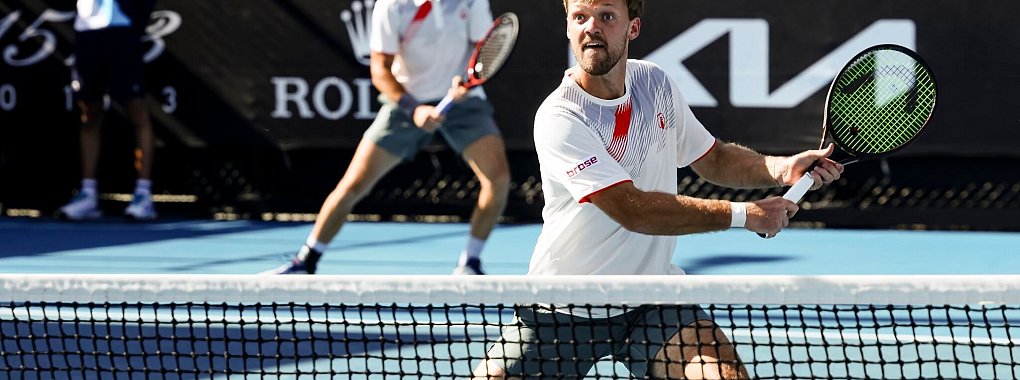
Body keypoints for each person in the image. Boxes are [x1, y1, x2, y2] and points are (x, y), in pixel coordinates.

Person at [472, 0, 843, 378]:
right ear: (568, 27)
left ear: (633, 28)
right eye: (580, 17)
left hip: (652, 301)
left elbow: (711, 156)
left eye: (607, 16)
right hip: (564, 310)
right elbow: (633, 210)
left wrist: (781, 168)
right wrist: (745, 215)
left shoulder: (654, 83)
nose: (591, 27)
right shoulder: (560, 117)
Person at [265, 0, 511, 275]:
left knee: (497, 179)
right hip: (406, 103)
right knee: (353, 185)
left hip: (462, 102)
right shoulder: (392, 5)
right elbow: (380, 70)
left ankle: (470, 263)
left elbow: (484, 52)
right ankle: (307, 259)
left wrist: (463, 85)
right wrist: (414, 108)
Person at [58, 0, 158, 221]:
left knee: (137, 110)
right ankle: (88, 195)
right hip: (87, 31)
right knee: (89, 114)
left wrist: (135, 21)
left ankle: (143, 195)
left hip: (122, 31)